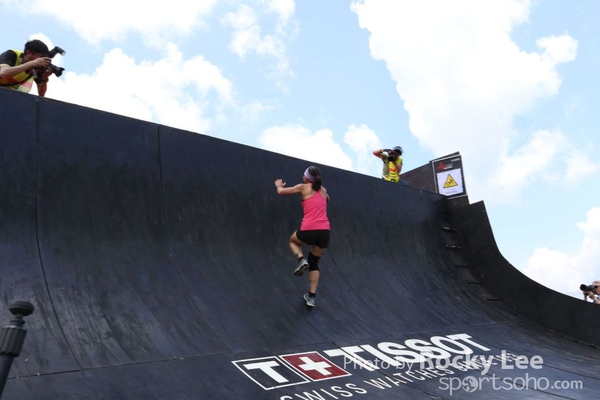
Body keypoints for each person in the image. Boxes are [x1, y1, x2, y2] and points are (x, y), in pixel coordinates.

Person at [274, 166, 330, 307]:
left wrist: (279, 185)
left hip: (309, 229)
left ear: (306, 178)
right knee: (314, 262)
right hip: (325, 232)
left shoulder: (302, 187)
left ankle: (300, 259)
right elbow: (327, 199)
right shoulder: (323, 190)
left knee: (293, 241)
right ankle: (311, 297)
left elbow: (281, 192)